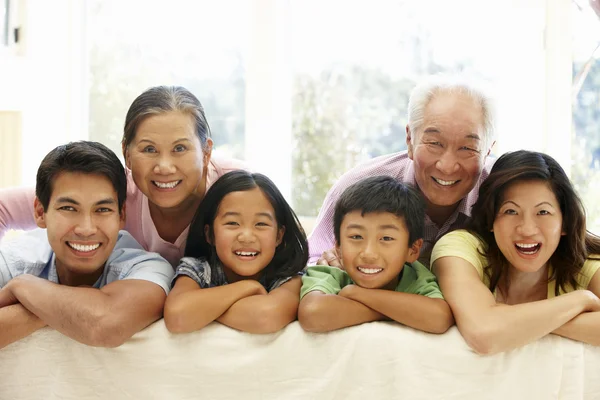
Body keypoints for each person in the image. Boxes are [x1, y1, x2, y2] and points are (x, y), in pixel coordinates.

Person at [0, 86, 247, 266]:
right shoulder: (110, 192)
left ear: (206, 152)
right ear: (126, 154)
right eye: (149, 149)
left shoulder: (241, 188)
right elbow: (4, 207)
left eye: (180, 149)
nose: (164, 167)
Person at [0, 141, 174, 349]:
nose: (86, 229)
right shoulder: (14, 259)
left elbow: (104, 325)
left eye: (102, 210)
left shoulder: (148, 268)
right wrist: (72, 307)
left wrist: (23, 287)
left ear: (121, 216)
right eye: (68, 208)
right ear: (40, 213)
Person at [308, 75, 496, 266]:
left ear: (489, 149)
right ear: (409, 139)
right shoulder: (357, 186)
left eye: (467, 148)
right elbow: (310, 261)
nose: (447, 166)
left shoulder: (505, 193)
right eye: (434, 143)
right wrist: (325, 265)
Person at [431, 150, 600, 354]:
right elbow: (485, 335)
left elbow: (493, 328)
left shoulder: (584, 263)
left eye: (543, 212)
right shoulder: (459, 247)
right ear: (491, 218)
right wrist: (582, 300)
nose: (527, 229)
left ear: (564, 222)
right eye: (510, 211)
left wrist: (512, 321)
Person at [298, 176, 453, 333]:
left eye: (386, 238)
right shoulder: (330, 271)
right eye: (356, 237)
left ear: (412, 250)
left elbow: (439, 318)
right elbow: (312, 312)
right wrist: (397, 312)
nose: (369, 254)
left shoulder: (416, 275)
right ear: (338, 246)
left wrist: (358, 293)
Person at [164, 170, 308, 334]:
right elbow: (178, 317)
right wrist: (248, 287)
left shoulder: (290, 276)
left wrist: (202, 312)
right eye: (232, 223)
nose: (246, 237)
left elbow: (265, 317)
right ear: (210, 234)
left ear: (279, 236)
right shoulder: (198, 269)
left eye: (261, 224)